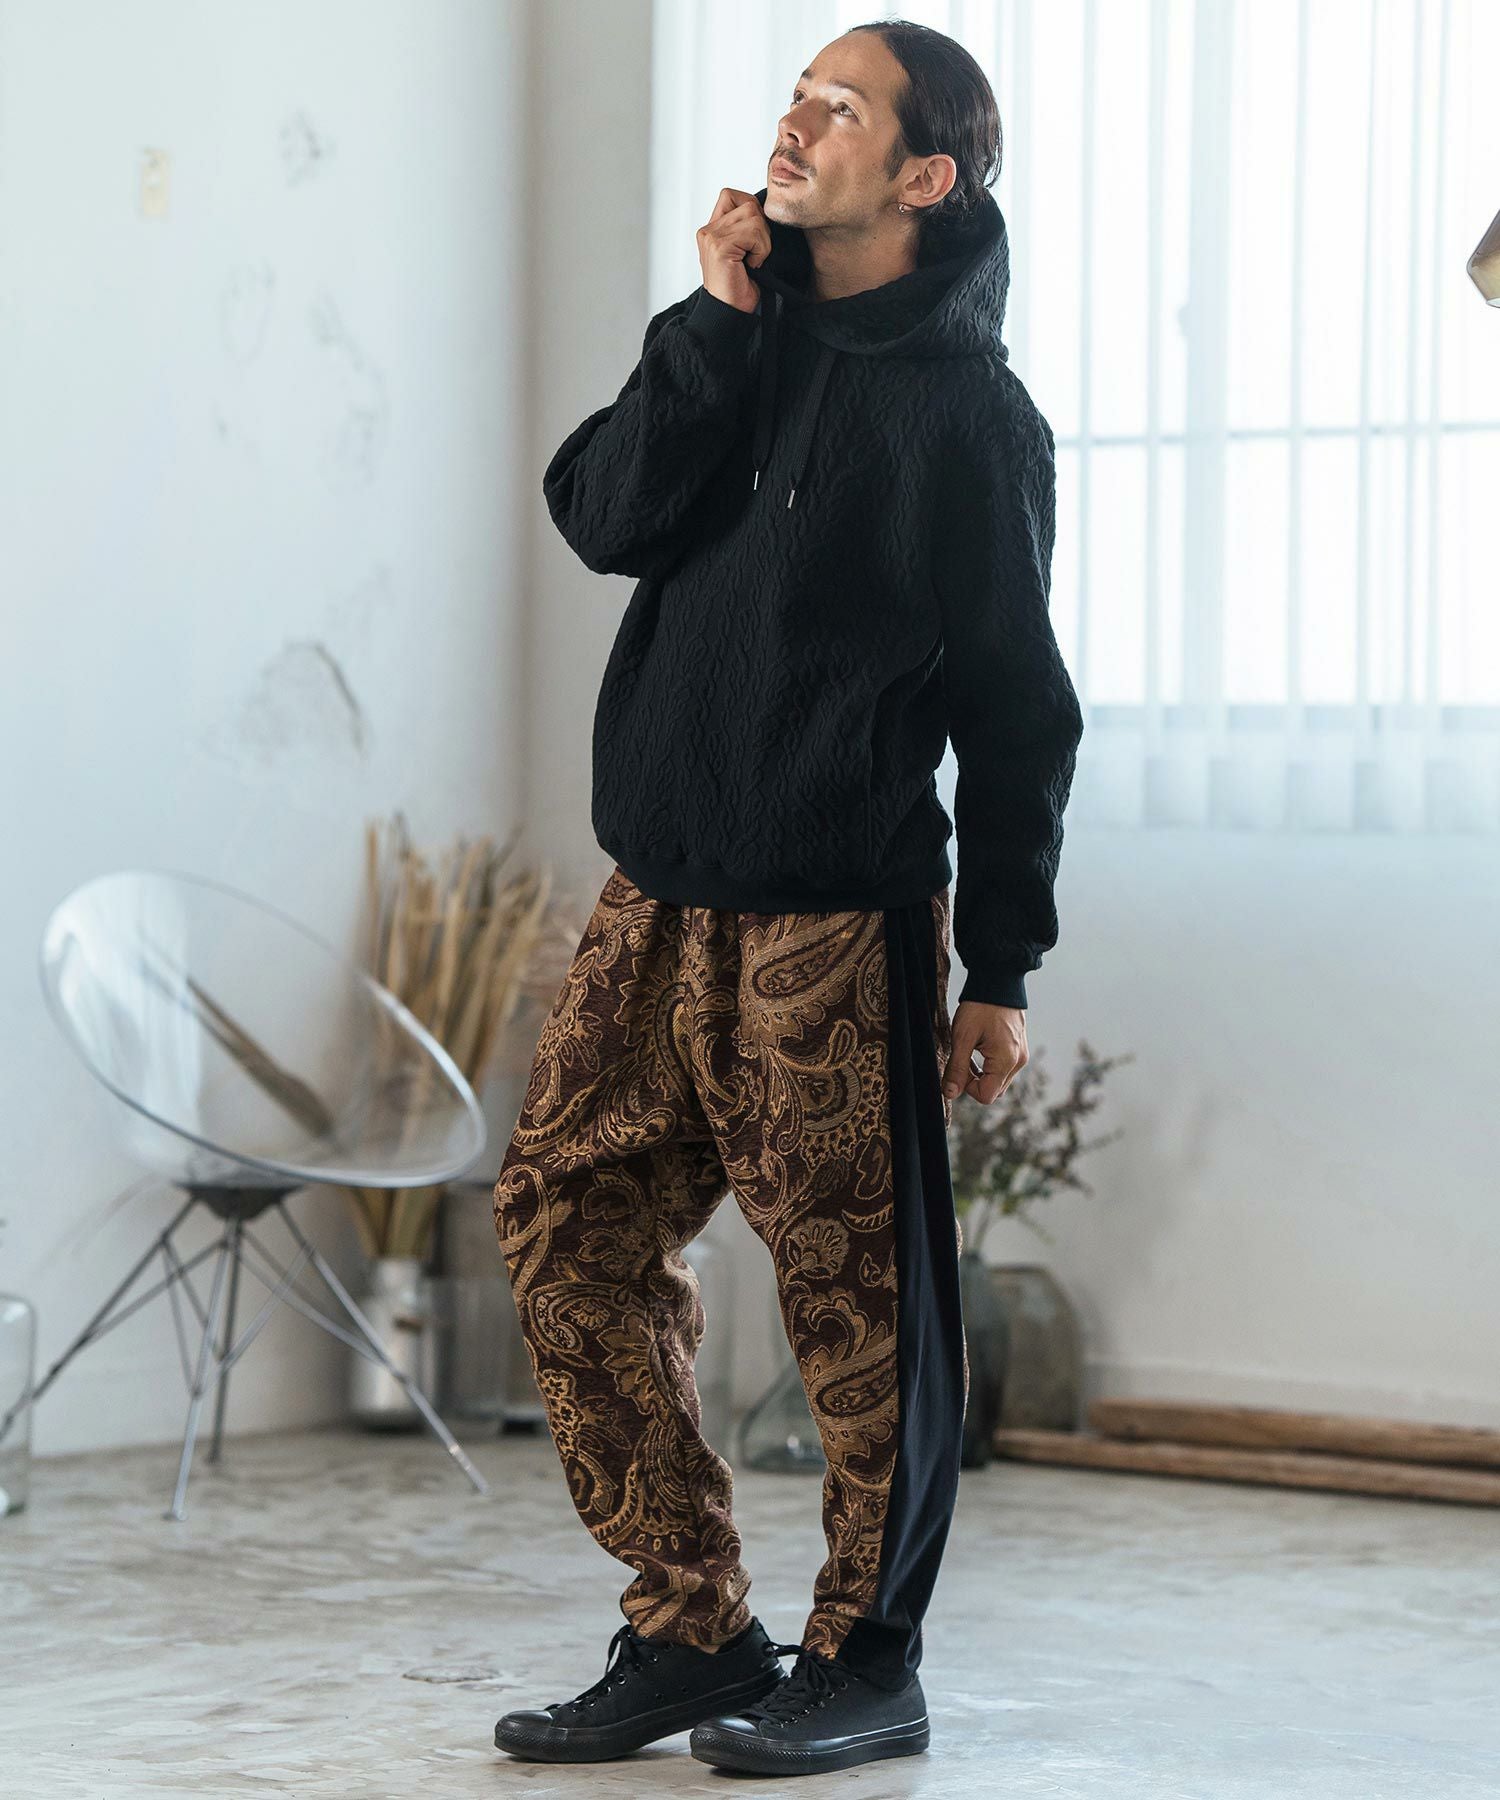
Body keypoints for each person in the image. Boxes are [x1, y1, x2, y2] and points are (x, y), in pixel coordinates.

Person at [491, 17, 1083, 1779]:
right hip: (653, 895)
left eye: (841, 105)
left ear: (925, 174)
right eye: (795, 93)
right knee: (562, 1227)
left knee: (860, 1310)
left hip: (837, 919)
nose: (794, 119)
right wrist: (711, 324)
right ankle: (691, 1625)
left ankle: (865, 1660)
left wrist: (1002, 964)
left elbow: (1019, 707)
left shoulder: (974, 417)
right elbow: (599, 515)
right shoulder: (731, 338)